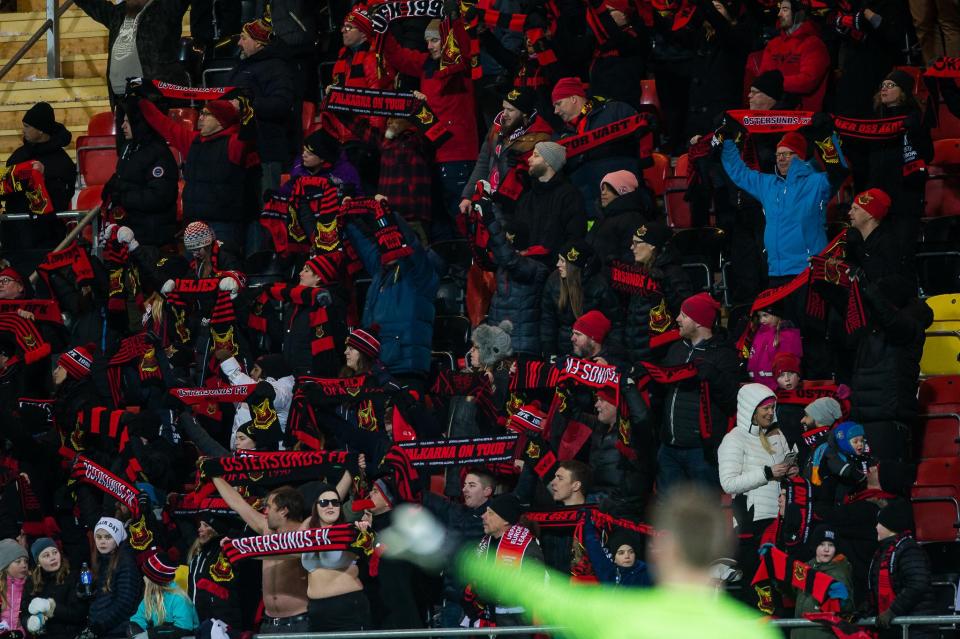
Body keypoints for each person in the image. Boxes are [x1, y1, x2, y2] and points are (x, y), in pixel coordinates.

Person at [455, 484, 781, 639]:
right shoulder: (753, 633)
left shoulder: (623, 615)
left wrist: (443, 549)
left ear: (662, 552)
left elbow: (541, 593)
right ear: (721, 546)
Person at [381, 18, 478, 240]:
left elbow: (463, 44)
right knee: (443, 221)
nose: (430, 46)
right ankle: (455, 268)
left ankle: (473, 267)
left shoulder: (460, 67)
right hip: (433, 154)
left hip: (458, 154)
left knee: (461, 217)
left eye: (435, 40)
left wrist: (452, 17)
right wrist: (382, 31)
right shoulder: (427, 65)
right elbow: (398, 56)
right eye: (428, 41)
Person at [720, 130, 834, 286]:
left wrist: (827, 136)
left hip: (808, 271)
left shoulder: (817, 182)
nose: (781, 159)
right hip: (776, 272)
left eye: (786, 154)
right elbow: (739, 172)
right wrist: (727, 142)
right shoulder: (768, 184)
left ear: (800, 156)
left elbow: (839, 170)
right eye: (778, 154)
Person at [138, 97, 254, 247]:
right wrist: (141, 100)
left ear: (221, 120)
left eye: (207, 114)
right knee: (194, 269)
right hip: (195, 224)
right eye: (201, 113)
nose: (200, 117)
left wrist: (246, 109)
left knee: (225, 267)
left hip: (223, 225)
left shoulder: (234, 143)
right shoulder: (193, 141)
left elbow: (249, 132)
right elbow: (163, 124)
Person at [718, 384, 795, 606]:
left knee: (776, 587)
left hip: (775, 524)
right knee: (757, 592)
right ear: (751, 409)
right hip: (749, 526)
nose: (770, 413)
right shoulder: (734, 439)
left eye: (773, 408)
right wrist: (768, 473)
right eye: (765, 409)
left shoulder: (773, 437)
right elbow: (729, 483)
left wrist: (788, 471)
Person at [656, 293, 740, 493]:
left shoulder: (724, 355)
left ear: (699, 322)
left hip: (701, 451)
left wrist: (713, 376)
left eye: (683, 315)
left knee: (704, 512)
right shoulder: (675, 349)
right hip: (669, 448)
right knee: (669, 512)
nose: (677, 319)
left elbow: (731, 401)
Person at [211, 481, 309, 633]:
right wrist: (214, 474)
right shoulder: (266, 530)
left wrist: (241, 547)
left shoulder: (305, 534)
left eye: (269, 507)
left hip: (300, 623)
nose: (265, 511)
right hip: (268, 623)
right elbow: (237, 503)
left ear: (283, 511)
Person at [551, 77, 642, 215]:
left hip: (622, 199)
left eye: (558, 103)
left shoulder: (616, 110)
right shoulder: (560, 135)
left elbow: (641, 137)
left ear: (573, 98)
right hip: (584, 206)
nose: (555, 111)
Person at [227, 13, 295, 196]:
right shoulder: (242, 65)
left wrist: (247, 105)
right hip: (244, 149)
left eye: (243, 38)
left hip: (266, 152)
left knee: (267, 208)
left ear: (258, 43)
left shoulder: (277, 68)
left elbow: (282, 104)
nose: (239, 43)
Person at [73, 0, 190, 100]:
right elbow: (91, 3)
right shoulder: (118, 13)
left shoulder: (166, 8)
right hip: (121, 98)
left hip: (154, 98)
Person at [459, 87, 553, 210]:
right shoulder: (497, 128)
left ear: (524, 112)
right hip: (490, 203)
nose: (504, 114)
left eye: (510, 110)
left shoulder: (541, 136)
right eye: (504, 108)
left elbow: (544, 178)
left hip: (518, 207)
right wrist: (468, 196)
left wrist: (523, 165)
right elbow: (483, 163)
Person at [103, 101, 178, 247]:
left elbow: (159, 196)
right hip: (132, 230)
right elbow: (125, 180)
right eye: (123, 121)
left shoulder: (158, 153)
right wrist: (112, 187)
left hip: (152, 235)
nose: (122, 126)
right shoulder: (129, 148)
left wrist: (123, 197)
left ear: (140, 123)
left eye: (127, 122)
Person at [298, 483, 372, 632]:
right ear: (315, 506)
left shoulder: (350, 531)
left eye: (335, 503)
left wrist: (366, 532)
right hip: (316, 611)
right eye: (324, 503)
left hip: (348, 608)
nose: (330, 506)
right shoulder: (307, 533)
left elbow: (366, 549)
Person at [465, 494, 544, 629]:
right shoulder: (485, 542)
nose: (483, 516)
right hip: (486, 618)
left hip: (515, 624)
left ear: (505, 520)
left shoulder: (527, 547)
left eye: (490, 513)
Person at [619, 222, 692, 364]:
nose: (631, 247)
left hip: (662, 356)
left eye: (637, 243)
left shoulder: (673, 273)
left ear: (652, 246)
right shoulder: (639, 272)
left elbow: (686, 312)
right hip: (636, 355)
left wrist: (663, 284)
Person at [867, 499, 936, 638]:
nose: (875, 527)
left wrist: (892, 611)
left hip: (916, 631)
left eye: (879, 523)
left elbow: (918, 584)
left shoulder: (909, 549)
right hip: (899, 630)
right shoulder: (884, 551)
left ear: (890, 526)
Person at [540, 241, 620, 359]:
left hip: (591, 354)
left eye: (562, 261)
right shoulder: (554, 281)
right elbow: (548, 320)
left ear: (574, 265)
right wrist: (549, 352)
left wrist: (607, 356)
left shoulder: (599, 286)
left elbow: (615, 323)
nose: (557, 264)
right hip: (561, 351)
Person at [512, 141, 587, 257]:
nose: (529, 159)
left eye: (536, 155)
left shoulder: (570, 196)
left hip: (554, 269)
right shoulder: (527, 198)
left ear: (549, 162)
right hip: (525, 267)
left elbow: (575, 237)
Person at [758, 0, 830, 110]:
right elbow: (764, 77)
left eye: (785, 9)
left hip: (802, 116)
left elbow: (807, 82)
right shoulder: (773, 44)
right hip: (773, 111)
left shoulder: (814, 44)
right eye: (780, 9)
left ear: (799, 14)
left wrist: (774, 84)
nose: (779, 14)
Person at [5, 102, 76, 214]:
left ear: (41, 130)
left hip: (45, 227)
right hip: (14, 227)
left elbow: (62, 201)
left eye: (27, 126)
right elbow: (6, 195)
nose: (23, 130)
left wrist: (44, 176)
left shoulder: (63, 162)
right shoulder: (18, 155)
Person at [790, 525, 854, 639]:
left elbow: (848, 608)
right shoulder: (805, 569)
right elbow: (791, 593)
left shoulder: (839, 572)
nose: (826, 549)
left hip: (824, 635)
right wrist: (771, 561)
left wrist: (843, 602)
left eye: (831, 545)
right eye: (822, 544)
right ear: (815, 546)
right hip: (799, 634)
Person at [86, 517, 143, 638]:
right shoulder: (102, 559)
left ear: (117, 539)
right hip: (101, 628)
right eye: (99, 537)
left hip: (117, 630)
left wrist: (100, 625)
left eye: (108, 537)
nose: (102, 541)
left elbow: (125, 602)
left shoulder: (126, 562)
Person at [19, 539, 87, 639]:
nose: (53, 558)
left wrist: (51, 607)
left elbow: (79, 613)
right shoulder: (31, 583)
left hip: (70, 635)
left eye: (55, 552)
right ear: (38, 562)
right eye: (46, 555)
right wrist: (29, 622)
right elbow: (24, 613)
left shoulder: (73, 577)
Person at [586, 170, 656, 266]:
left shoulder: (632, 219)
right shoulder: (603, 218)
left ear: (622, 191)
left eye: (609, 189)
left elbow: (633, 256)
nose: (603, 193)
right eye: (602, 189)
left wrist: (612, 267)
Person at [185, 517, 241, 631]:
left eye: (205, 525)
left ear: (216, 530)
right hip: (197, 619)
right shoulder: (197, 554)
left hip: (221, 622)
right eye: (200, 525)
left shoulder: (225, 550)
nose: (200, 529)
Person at [129, 549, 198, 638]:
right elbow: (137, 620)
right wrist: (135, 632)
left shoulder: (179, 599)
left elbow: (184, 629)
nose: (143, 578)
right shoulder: (150, 596)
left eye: (145, 575)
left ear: (154, 581)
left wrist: (150, 635)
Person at [580, 515, 651, 587]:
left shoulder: (647, 573)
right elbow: (594, 549)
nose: (627, 556)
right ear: (614, 559)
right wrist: (588, 523)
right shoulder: (608, 574)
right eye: (621, 553)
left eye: (631, 552)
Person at [745, 304, 803, 391]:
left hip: (776, 387)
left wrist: (783, 384)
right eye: (759, 316)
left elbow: (788, 363)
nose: (761, 320)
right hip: (759, 385)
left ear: (776, 315)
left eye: (765, 315)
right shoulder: (760, 332)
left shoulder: (785, 334)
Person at [0, 539, 28, 633]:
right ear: (5, 565)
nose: (24, 565)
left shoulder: (30, 586)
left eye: (26, 561)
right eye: (18, 561)